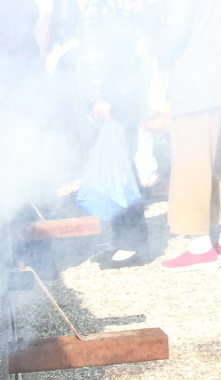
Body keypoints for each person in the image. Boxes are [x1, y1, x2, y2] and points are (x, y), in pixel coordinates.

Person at [158, 0, 221, 272]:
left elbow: (173, 35)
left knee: (191, 166)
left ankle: (199, 247)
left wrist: (158, 52)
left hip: (198, 85)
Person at [75, 0, 157, 268]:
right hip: (103, 98)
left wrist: (106, 96)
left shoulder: (113, 5)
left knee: (122, 170)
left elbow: (120, 50)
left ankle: (133, 242)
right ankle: (122, 236)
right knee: (113, 168)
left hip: (114, 99)